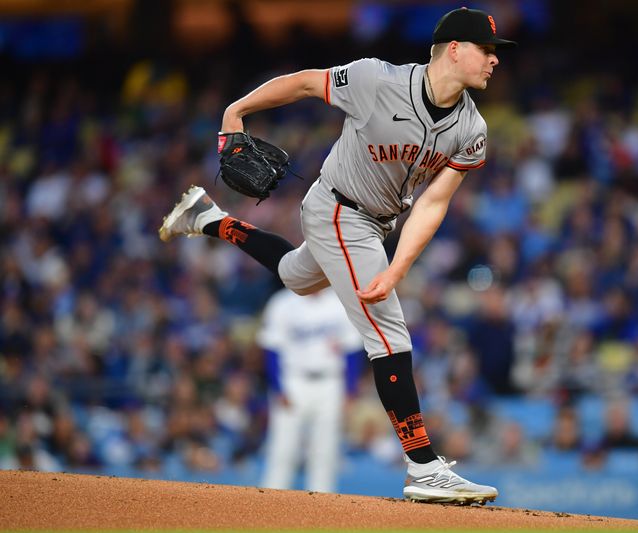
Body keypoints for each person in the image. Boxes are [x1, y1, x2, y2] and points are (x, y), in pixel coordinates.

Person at [159, 7, 515, 504]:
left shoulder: (470, 129)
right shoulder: (377, 79)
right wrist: (235, 112)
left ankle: (208, 218)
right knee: (389, 334)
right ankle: (423, 467)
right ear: (454, 49)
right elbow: (306, 83)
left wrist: (397, 267)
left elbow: (433, 202)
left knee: (294, 277)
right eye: (487, 50)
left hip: (377, 225)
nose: (495, 61)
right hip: (338, 209)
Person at [257, 287, 363, 493]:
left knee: (326, 449)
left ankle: (322, 505)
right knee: (283, 447)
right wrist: (278, 388)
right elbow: (271, 348)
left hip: (331, 381)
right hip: (293, 380)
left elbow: (352, 349)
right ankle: (269, 500)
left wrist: (350, 390)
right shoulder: (282, 302)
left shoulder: (340, 302)